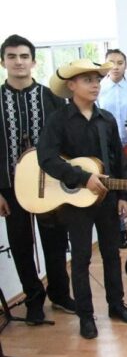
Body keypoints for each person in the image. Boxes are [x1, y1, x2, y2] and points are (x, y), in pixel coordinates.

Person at [38, 59, 127, 339]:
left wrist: (122, 196)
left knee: (111, 255)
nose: (95, 85)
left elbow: (118, 160)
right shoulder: (58, 121)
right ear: (71, 86)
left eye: (97, 79)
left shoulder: (106, 119)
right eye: (87, 80)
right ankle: (86, 316)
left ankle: (116, 305)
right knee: (81, 259)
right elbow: (46, 158)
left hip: (107, 200)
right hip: (75, 204)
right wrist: (83, 178)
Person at [0, 34, 74, 322]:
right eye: (12, 56)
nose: (18, 62)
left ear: (33, 61)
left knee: (55, 240)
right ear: (3, 61)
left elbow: (67, 142)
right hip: (9, 185)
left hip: (50, 184)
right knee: (20, 243)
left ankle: (60, 294)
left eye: (23, 56)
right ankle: (33, 299)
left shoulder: (52, 98)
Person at [99, 48, 127, 248]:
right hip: (106, 148)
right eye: (111, 62)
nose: (115, 66)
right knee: (115, 187)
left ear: (126, 65)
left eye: (120, 62)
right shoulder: (98, 89)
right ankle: (121, 229)